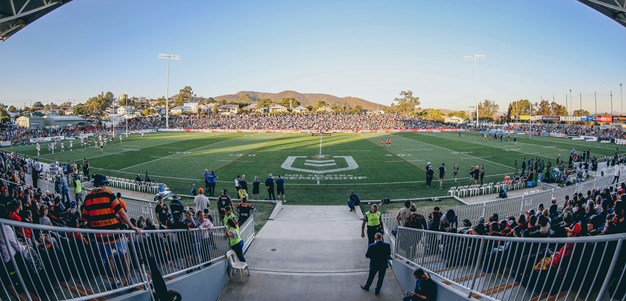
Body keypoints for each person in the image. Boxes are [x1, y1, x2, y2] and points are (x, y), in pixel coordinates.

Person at [83, 174, 140, 288]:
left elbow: (85, 218)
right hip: (114, 233)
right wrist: (132, 226)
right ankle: (128, 279)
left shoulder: (87, 198)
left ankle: (115, 280)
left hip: (99, 236)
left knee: (109, 258)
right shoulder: (108, 194)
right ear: (103, 184)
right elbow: (122, 212)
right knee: (125, 254)